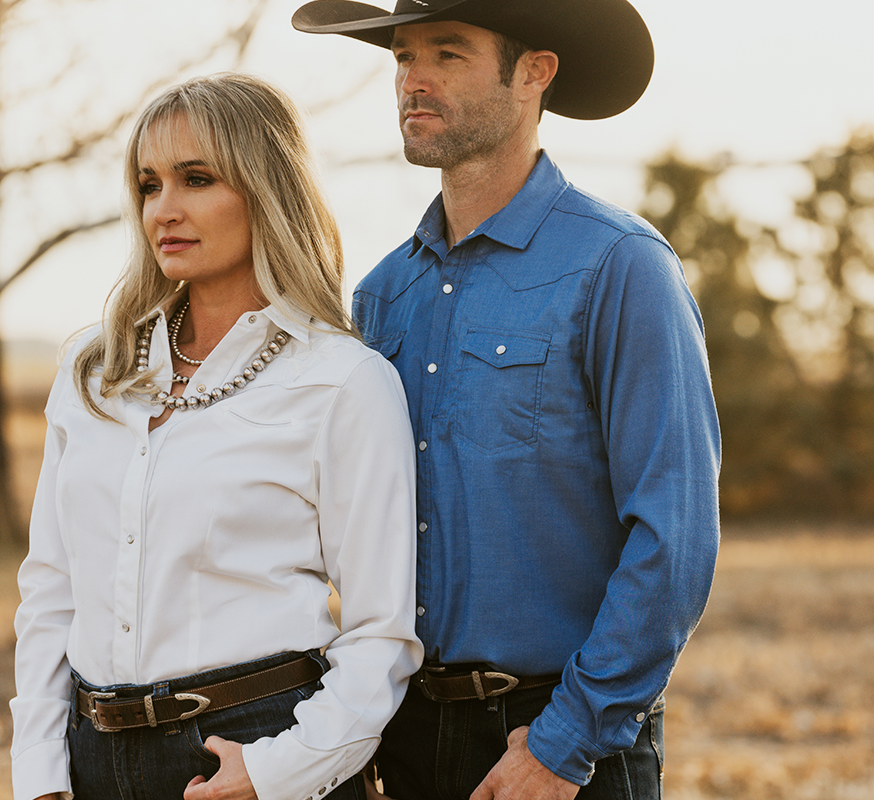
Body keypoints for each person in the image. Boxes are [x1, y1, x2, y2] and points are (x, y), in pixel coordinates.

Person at [290, 1, 721, 799]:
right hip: (408, 735)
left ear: (535, 72)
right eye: (402, 57)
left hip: (558, 735)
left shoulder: (620, 267)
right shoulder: (384, 295)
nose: (412, 81)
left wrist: (566, 743)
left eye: (447, 54)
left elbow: (676, 539)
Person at [9, 72, 423, 800]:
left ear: (266, 187)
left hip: (253, 748)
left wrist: (273, 774)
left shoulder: (342, 382)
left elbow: (381, 637)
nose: (164, 209)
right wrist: (39, 770)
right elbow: (51, 592)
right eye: (148, 184)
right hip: (92, 755)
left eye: (196, 179)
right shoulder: (92, 370)